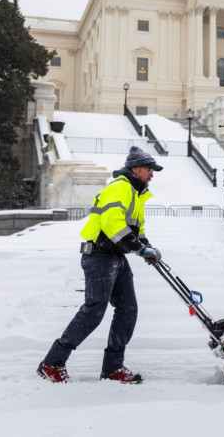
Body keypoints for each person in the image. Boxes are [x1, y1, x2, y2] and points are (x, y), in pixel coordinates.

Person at [37, 146, 164, 384]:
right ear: (137, 169)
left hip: (115, 254)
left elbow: (138, 228)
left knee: (128, 309)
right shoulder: (120, 188)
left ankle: (113, 369)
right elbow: (112, 225)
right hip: (99, 255)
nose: (152, 175)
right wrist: (139, 249)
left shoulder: (136, 193)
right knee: (94, 310)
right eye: (149, 170)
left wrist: (146, 246)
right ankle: (52, 363)